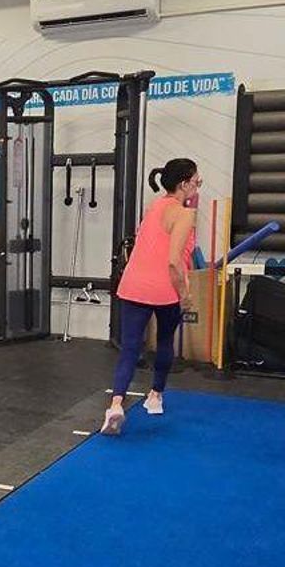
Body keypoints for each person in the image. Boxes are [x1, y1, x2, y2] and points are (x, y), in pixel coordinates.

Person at [100, 158, 201, 435]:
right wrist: (185, 295)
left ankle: (116, 404)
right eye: (196, 181)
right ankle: (155, 396)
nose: (198, 185)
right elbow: (172, 262)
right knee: (165, 341)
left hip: (133, 284)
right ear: (184, 184)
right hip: (164, 288)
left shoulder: (154, 206)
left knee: (130, 349)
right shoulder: (184, 215)